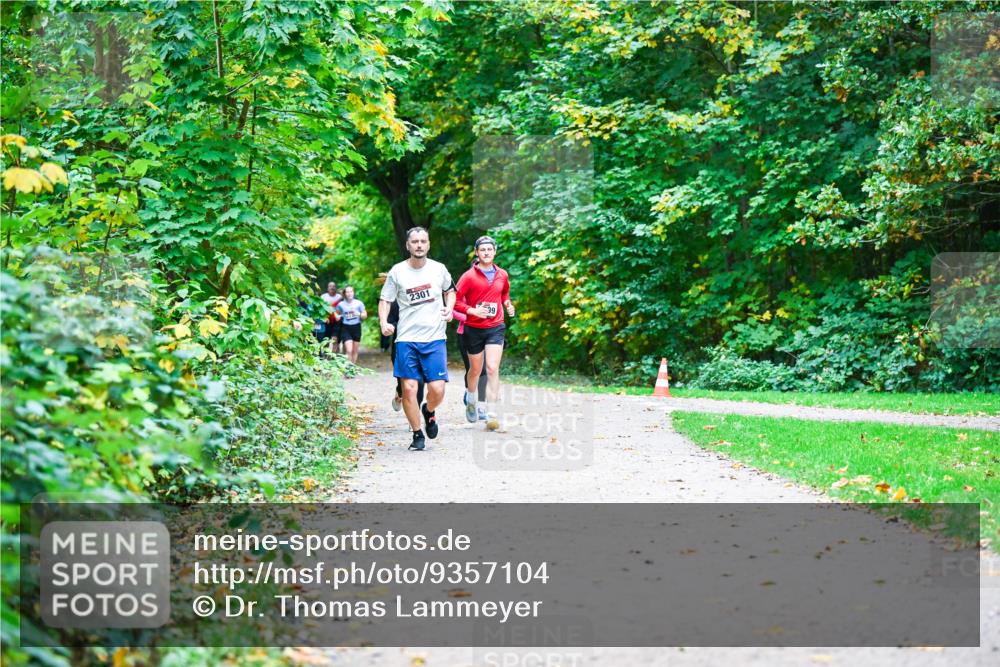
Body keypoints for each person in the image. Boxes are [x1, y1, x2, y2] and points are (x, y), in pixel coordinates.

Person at [378, 227, 455, 451]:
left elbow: (450, 291)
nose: (419, 245)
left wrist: (449, 309)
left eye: (423, 241)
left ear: (428, 245)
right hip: (407, 339)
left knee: (437, 389)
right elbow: (385, 299)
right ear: (408, 245)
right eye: (415, 241)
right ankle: (417, 433)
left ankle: (428, 411)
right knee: (409, 388)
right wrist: (384, 322)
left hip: (434, 338)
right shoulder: (397, 272)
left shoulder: (439, 269)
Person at [454, 236, 514, 430]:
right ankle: (471, 399)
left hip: (496, 326)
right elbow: (455, 300)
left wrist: (508, 304)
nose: (487, 252)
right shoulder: (469, 276)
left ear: (495, 252)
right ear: (477, 253)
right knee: (475, 370)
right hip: (473, 329)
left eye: (490, 249)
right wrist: (472, 311)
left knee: (492, 368)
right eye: (483, 250)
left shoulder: (502, 275)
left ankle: (491, 412)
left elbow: (504, 294)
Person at [454, 293, 488, 420]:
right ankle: (469, 395)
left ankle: (481, 406)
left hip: (485, 333)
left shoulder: (487, 292)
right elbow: (453, 310)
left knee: (484, 370)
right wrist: (471, 316)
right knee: (473, 369)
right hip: (466, 334)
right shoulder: (464, 289)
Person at [335, 285, 367, 364]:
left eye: (351, 291)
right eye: (347, 292)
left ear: (353, 293)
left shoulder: (359, 303)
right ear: (345, 294)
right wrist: (337, 317)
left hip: (356, 327)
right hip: (346, 328)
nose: (349, 293)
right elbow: (336, 312)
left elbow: (365, 315)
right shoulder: (341, 304)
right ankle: (349, 368)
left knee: (354, 351)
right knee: (349, 350)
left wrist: (359, 314)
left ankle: (352, 368)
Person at [320, 281, 343, 354]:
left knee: (335, 339)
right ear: (327, 288)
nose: (332, 288)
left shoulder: (339, 297)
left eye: (333, 286)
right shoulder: (323, 296)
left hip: (337, 321)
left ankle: (334, 356)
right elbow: (320, 308)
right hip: (326, 321)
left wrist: (342, 293)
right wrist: (324, 317)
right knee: (326, 339)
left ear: (335, 288)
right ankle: (325, 355)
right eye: (330, 286)